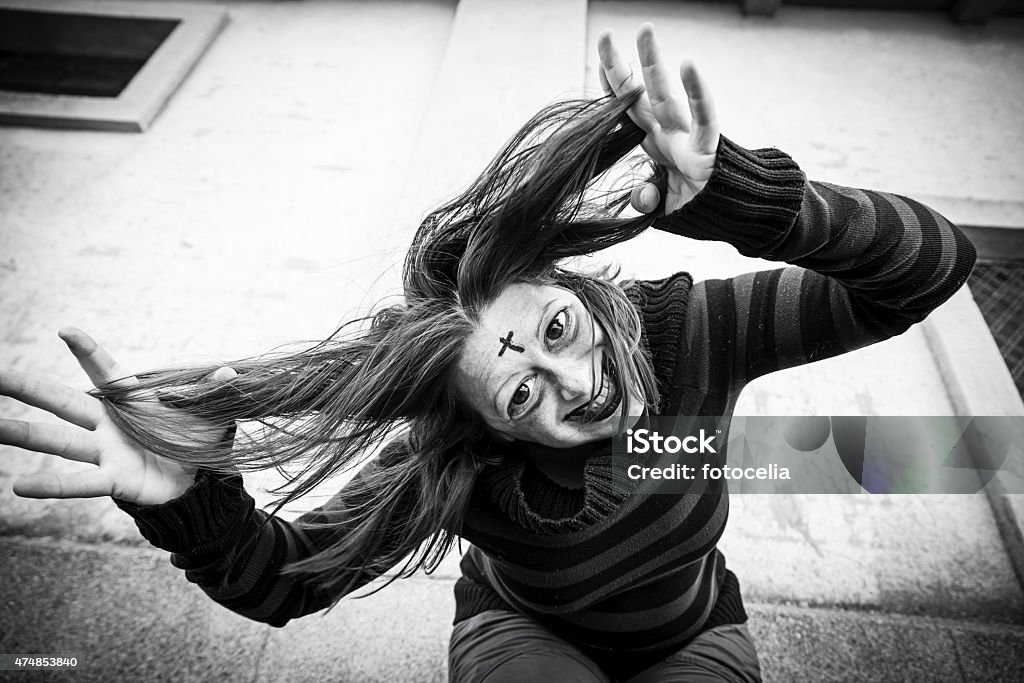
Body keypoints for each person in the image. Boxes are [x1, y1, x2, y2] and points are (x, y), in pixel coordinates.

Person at [1, 23, 975, 683]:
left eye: (556, 329)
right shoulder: (453, 466)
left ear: (572, 286)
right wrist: (191, 504)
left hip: (694, 628)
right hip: (523, 630)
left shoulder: (683, 333)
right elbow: (283, 581)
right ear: (480, 421)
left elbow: (929, 266)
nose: (578, 383)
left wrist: (750, 202)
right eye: (520, 393)